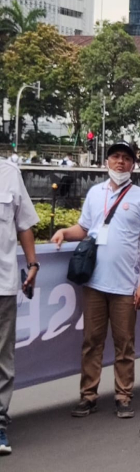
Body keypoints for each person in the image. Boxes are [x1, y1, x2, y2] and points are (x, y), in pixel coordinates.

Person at [51, 141, 140, 419]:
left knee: (124, 343)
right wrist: (64, 231)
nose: (120, 163)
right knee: (92, 341)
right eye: (115, 157)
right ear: (107, 161)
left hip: (125, 284)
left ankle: (123, 395)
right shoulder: (95, 193)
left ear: (133, 164)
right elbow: (84, 228)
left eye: (126, 158)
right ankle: (88, 395)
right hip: (95, 282)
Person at [0, 159, 39, 456]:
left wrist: (33, 263)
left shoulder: (10, 173)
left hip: (3, 285)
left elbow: (24, 223)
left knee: (3, 356)